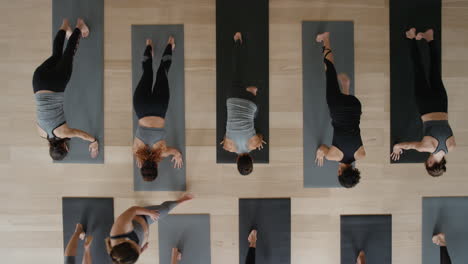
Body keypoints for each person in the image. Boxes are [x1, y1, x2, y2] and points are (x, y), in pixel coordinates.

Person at [391, 28, 456, 177]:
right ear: (431, 164)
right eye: (427, 163)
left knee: (435, 71)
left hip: (442, 104)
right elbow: (407, 145)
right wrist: (397, 148)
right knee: (418, 70)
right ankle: (411, 37)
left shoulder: (452, 147)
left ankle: (429, 38)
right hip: (426, 106)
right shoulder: (426, 147)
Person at [33, 18, 99, 161]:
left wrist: (94, 142)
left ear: (65, 147)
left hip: (56, 84)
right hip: (38, 81)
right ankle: (64, 25)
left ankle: (79, 27)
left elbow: (82, 135)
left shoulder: (63, 133)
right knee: (56, 55)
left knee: (69, 54)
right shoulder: (41, 133)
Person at [314, 32, 366, 188]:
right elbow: (322, 148)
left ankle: (346, 87)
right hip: (338, 107)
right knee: (329, 70)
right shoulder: (332, 156)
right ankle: (326, 38)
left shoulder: (361, 154)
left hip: (356, 106)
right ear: (340, 172)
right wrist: (319, 153)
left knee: (348, 116)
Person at [133, 37, 183, 182]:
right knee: (147, 73)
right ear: (141, 166)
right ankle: (149, 45)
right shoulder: (136, 151)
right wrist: (140, 159)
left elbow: (176, 152)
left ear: (156, 167)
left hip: (159, 107)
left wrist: (178, 156)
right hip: (141, 106)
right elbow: (140, 156)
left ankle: (170, 44)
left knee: (162, 72)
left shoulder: (162, 153)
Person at [220, 32, 266, 176]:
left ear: (251, 158)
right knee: (236, 71)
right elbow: (225, 138)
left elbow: (260, 135)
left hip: (249, 103)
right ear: (236, 162)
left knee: (256, 113)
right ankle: (237, 40)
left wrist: (259, 140)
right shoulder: (228, 147)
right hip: (232, 98)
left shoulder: (255, 144)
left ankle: (252, 92)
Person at [106, 193, 193, 264]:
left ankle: (179, 201)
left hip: (144, 216)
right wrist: (141, 250)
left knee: (164, 210)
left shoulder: (118, 231)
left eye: (137, 247)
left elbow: (133, 210)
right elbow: (135, 253)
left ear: (127, 243)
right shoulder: (126, 258)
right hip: (144, 228)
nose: (138, 247)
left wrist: (150, 213)